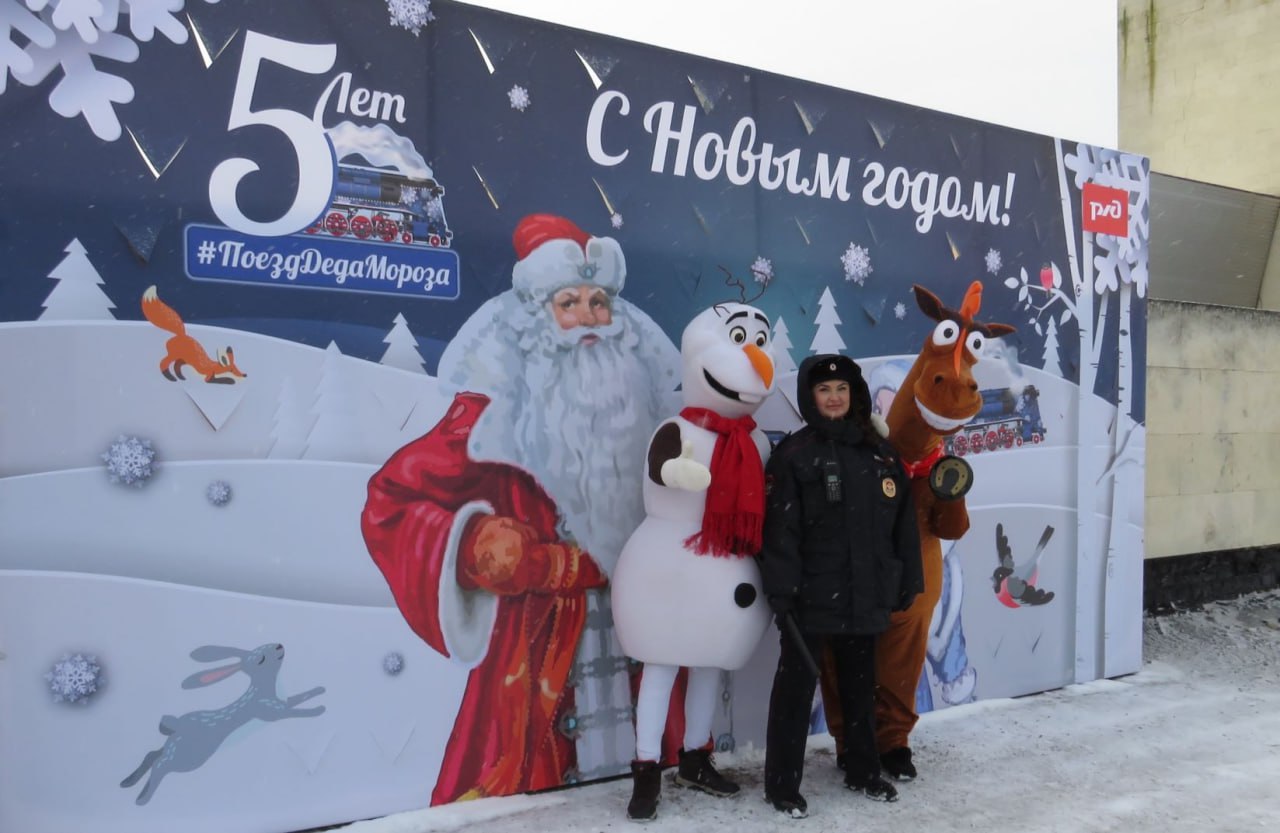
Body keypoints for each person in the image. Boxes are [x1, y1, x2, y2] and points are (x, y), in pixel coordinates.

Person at [362, 214, 681, 804]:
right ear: (539, 317)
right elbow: (392, 499)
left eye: (598, 301)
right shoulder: (494, 415)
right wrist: (474, 542)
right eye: (569, 302)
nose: (589, 318)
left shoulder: (648, 406)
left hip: (640, 621)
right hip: (535, 650)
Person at [759, 354, 923, 818]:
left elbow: (902, 524)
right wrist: (782, 593)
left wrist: (909, 576)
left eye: (842, 390)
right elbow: (780, 533)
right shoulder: (794, 454)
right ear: (811, 398)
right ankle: (782, 786)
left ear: (855, 396)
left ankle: (863, 770)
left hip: (865, 591)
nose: (834, 398)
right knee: (795, 691)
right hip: (809, 597)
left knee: (859, 686)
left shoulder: (879, 453)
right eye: (824, 390)